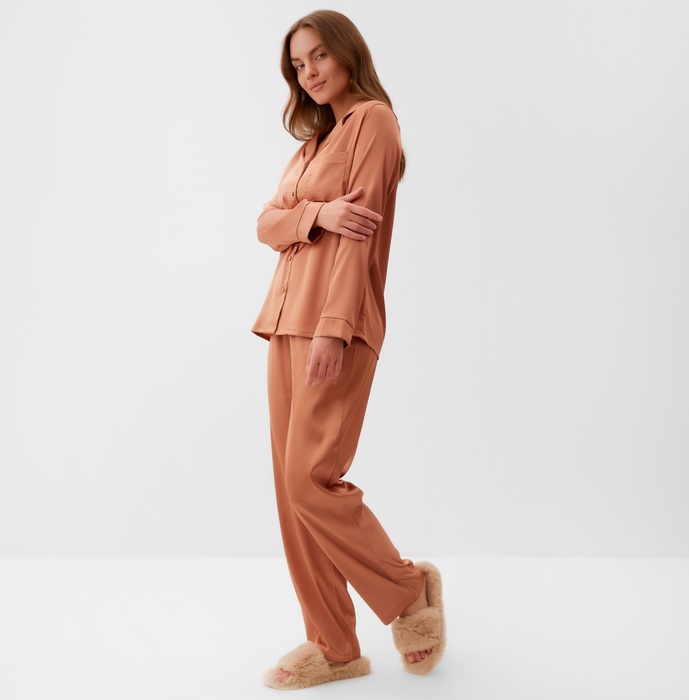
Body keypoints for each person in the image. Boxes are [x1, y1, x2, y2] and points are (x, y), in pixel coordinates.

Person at [251, 10, 447, 690]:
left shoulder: (373, 123)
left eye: (317, 56)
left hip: (335, 325)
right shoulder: (314, 144)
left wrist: (335, 327)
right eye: (297, 64)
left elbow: (360, 242)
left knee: (311, 479)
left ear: (345, 52)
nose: (308, 72)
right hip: (284, 324)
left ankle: (406, 590)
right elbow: (265, 224)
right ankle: (333, 645)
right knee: (292, 491)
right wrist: (318, 214)